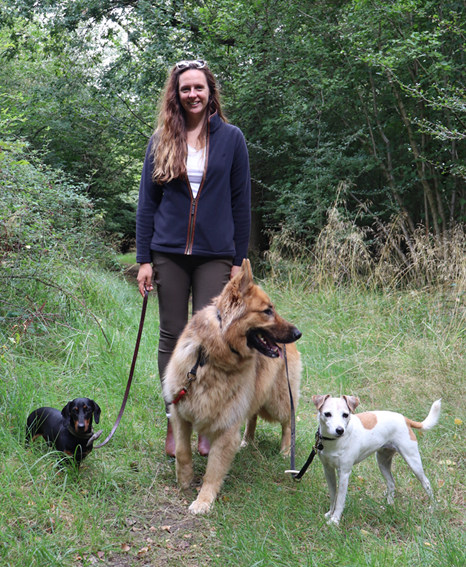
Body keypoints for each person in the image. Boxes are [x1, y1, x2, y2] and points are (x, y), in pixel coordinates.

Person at [136, 59, 251, 457]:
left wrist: (239, 260)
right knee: (172, 336)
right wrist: (144, 258)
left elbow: (241, 203)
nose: (193, 95)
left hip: (215, 255)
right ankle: (175, 422)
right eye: (185, 89)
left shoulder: (232, 139)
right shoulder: (162, 138)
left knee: (211, 338)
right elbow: (147, 204)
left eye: (198, 88)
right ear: (176, 94)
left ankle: (205, 422)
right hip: (167, 253)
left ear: (210, 91)